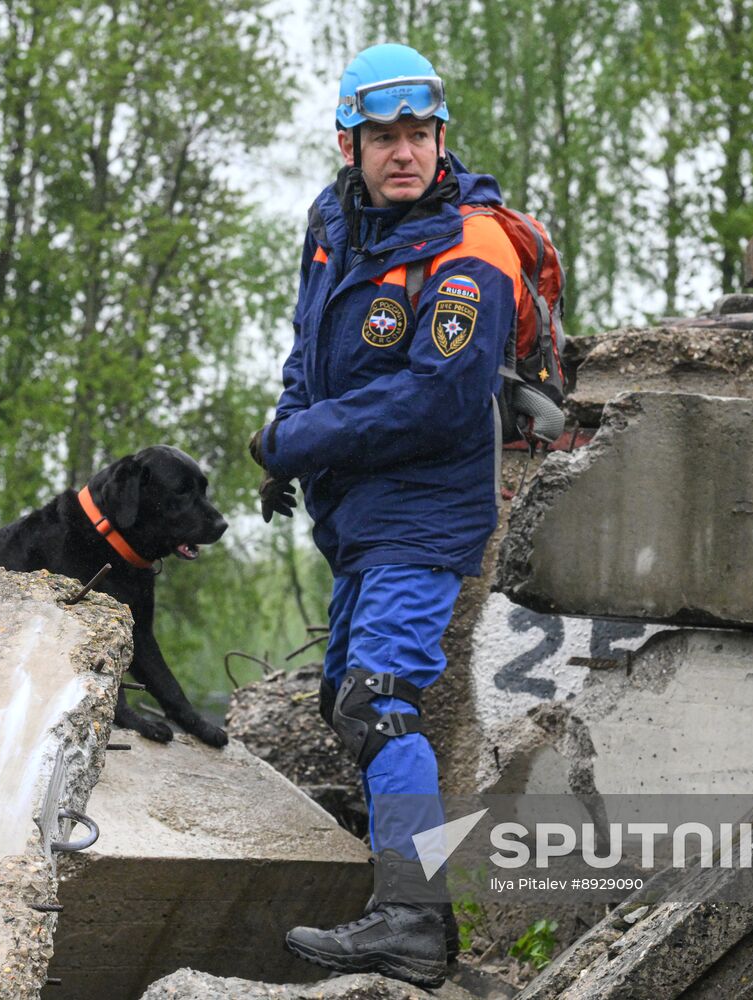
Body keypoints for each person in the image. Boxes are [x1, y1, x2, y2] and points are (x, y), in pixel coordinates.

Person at [248, 42, 521, 988]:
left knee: (380, 699)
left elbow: (439, 399)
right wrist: (294, 429)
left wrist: (306, 438)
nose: (404, 153)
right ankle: (390, 885)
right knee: (343, 701)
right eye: (384, 137)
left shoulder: (470, 252)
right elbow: (309, 342)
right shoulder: (334, 221)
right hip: (359, 511)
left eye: (419, 134)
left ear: (440, 137)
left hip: (428, 510)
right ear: (348, 142)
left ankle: (411, 918)